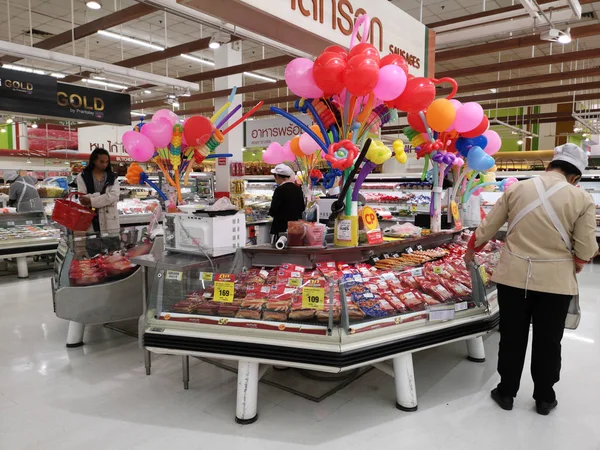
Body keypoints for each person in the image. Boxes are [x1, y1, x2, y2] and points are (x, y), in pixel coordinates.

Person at [464, 143, 598, 416]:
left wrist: (472, 248)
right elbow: (586, 248)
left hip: (513, 277)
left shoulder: (517, 189)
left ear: (550, 165)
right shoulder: (581, 199)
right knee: (549, 340)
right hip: (556, 281)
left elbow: (487, 228)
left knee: (512, 336)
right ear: (575, 177)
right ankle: (545, 397)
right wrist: (580, 262)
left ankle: (506, 391)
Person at [76, 148, 120, 234]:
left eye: (107, 162)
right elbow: (83, 199)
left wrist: (91, 200)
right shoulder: (82, 176)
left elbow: (113, 196)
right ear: (94, 161)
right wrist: (104, 196)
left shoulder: (112, 177)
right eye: (101, 162)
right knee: (93, 245)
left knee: (112, 246)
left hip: (110, 221)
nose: (105, 164)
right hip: (90, 219)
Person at [268, 163, 305, 238]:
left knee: (280, 246)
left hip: (281, 228)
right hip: (295, 228)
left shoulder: (279, 190)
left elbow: (274, 209)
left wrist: (270, 213)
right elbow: (302, 208)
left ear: (277, 176)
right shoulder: (298, 189)